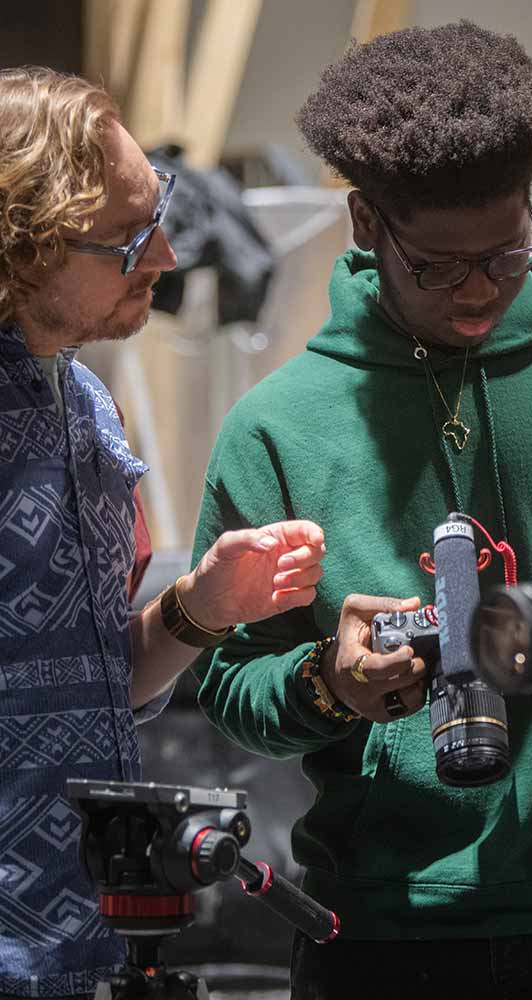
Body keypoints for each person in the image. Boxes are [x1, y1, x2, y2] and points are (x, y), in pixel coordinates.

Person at [188, 23, 532, 1000]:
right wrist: (326, 683)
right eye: (439, 266)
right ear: (367, 224)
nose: (481, 289)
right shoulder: (276, 429)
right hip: (380, 928)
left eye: (509, 252)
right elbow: (229, 686)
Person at [0, 66, 324, 999]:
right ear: (23, 248)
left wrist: (199, 609)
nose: (169, 257)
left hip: (95, 947)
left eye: (161, 213)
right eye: (128, 240)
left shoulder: (85, 402)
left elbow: (97, 681)